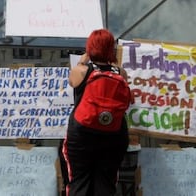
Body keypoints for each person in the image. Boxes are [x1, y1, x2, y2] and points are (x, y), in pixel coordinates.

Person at [62, 29, 129, 196]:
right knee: (106, 183)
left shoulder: (82, 70)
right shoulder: (120, 72)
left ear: (90, 47)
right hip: (113, 134)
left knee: (79, 180)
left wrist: (81, 62)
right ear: (110, 48)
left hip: (82, 134)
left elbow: (72, 82)